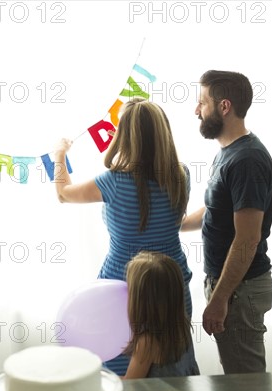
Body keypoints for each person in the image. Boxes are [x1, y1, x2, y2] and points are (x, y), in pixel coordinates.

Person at [54, 97, 192, 376]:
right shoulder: (181, 175)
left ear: (125, 137)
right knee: (171, 375)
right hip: (171, 287)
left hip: (125, 295)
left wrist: (59, 155)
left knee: (124, 378)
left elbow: (63, 194)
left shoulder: (113, 182)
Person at [181, 70, 272, 374]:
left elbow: (247, 239)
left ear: (224, 106)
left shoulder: (246, 160)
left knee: (246, 384)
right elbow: (214, 211)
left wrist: (220, 298)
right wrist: (174, 223)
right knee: (237, 377)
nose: (196, 110)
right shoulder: (228, 152)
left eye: (201, 103)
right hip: (231, 287)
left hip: (239, 290)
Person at [123, 251, 200, 379]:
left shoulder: (147, 342)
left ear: (141, 300)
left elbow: (130, 385)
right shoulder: (181, 325)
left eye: (129, 290)